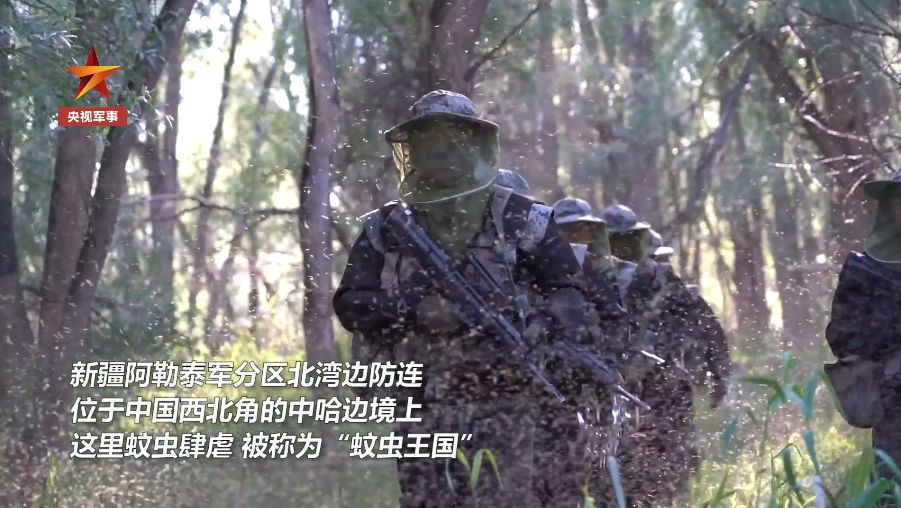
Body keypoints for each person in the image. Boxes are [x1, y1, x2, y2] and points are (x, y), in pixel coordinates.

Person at [333, 90, 598, 507]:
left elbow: (570, 291)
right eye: (428, 138)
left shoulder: (521, 216)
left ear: (474, 144)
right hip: (420, 403)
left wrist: (538, 326)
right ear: (412, 148)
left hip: (505, 398)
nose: (441, 148)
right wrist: (415, 310)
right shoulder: (386, 226)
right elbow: (350, 304)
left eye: (452, 137)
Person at [602, 203, 731, 507]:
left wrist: (718, 373)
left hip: (664, 382)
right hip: (615, 384)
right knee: (620, 462)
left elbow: (704, 323)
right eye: (614, 239)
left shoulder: (659, 278)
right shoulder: (593, 277)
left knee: (673, 457)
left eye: (626, 238)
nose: (621, 246)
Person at [552, 197, 635, 501]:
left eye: (582, 229)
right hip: (552, 382)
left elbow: (615, 319)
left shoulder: (594, 269)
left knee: (605, 460)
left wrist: (609, 361)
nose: (577, 236)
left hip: (593, 381)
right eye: (569, 230)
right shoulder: (533, 266)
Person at [825, 168, 901, 476]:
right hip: (896, 410)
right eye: (899, 203)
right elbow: (842, 337)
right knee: (891, 488)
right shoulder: (867, 272)